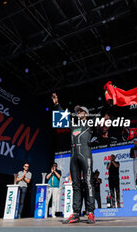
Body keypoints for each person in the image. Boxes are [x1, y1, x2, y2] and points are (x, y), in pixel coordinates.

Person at [52, 93, 95, 224]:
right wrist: (56, 104)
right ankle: (76, 213)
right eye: (77, 111)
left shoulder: (90, 124)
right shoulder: (73, 124)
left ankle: (91, 213)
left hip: (85, 155)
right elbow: (62, 116)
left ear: (86, 114)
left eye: (81, 111)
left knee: (88, 183)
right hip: (73, 157)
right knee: (75, 185)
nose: (78, 113)